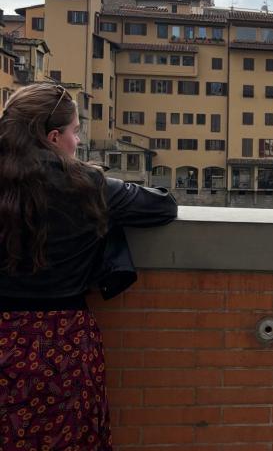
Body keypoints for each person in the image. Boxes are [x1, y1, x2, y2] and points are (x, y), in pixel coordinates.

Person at [0, 83, 178, 450]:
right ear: (53, 137)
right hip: (62, 342)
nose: (77, 142)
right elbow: (163, 206)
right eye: (75, 132)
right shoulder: (87, 184)